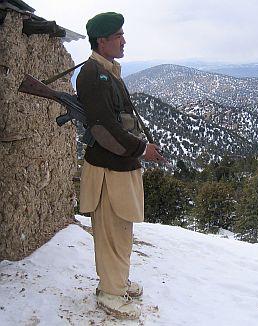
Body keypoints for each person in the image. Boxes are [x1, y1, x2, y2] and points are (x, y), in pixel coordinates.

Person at [76, 12, 165, 320]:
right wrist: (143, 149)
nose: (124, 40)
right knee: (111, 231)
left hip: (119, 168)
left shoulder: (107, 72)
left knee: (121, 230)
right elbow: (103, 129)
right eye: (118, 36)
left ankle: (117, 282)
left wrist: (139, 149)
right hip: (107, 171)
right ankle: (110, 293)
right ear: (102, 41)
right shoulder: (92, 75)